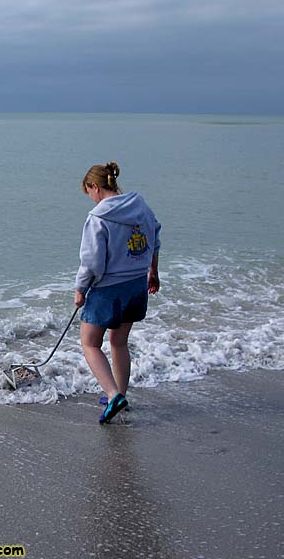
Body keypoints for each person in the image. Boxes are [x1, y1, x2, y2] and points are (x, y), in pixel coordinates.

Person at [74, 162, 161, 423]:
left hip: (109, 289)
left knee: (89, 343)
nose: (90, 198)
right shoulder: (141, 207)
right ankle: (120, 393)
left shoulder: (98, 217)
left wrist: (80, 289)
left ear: (95, 187)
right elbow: (155, 236)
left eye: (88, 191)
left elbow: (92, 262)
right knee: (119, 341)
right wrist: (153, 271)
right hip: (136, 284)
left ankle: (113, 395)